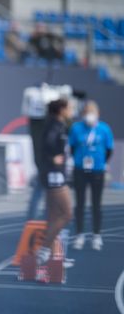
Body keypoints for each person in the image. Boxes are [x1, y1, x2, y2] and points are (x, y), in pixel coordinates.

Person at [36, 99, 74, 274]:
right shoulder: (55, 125)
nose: (72, 110)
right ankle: (44, 249)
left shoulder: (58, 124)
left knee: (53, 216)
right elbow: (46, 146)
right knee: (66, 213)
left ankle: (54, 257)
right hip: (54, 174)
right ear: (61, 110)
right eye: (70, 108)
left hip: (56, 173)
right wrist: (53, 158)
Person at [69, 101, 114, 251]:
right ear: (82, 114)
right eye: (87, 112)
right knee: (79, 203)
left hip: (97, 170)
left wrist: (101, 162)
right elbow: (72, 147)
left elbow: (109, 149)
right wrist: (78, 160)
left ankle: (96, 235)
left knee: (96, 204)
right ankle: (80, 234)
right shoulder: (76, 128)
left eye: (92, 112)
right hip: (80, 169)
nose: (89, 115)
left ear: (98, 114)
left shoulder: (104, 129)